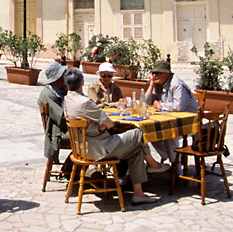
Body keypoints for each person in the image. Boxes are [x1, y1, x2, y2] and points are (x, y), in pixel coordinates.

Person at [62, 67, 161, 205]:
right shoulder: (85, 102)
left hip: (81, 148)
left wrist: (101, 125)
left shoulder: (67, 100)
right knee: (138, 132)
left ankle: (138, 193)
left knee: (136, 149)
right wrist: (103, 126)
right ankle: (152, 164)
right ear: (82, 82)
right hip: (98, 148)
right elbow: (109, 124)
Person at [144, 57, 198, 165]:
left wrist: (160, 105)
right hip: (170, 118)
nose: (154, 75)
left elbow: (178, 107)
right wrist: (151, 84)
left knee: (169, 133)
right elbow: (145, 103)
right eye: (153, 73)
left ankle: (176, 167)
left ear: (166, 74)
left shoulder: (176, 84)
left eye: (157, 73)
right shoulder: (158, 84)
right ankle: (172, 157)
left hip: (188, 123)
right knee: (149, 133)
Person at [37, 62, 73, 178]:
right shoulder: (48, 94)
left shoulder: (58, 90)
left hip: (61, 127)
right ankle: (73, 167)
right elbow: (61, 118)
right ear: (57, 78)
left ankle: (71, 166)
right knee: (86, 137)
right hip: (57, 132)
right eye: (63, 75)